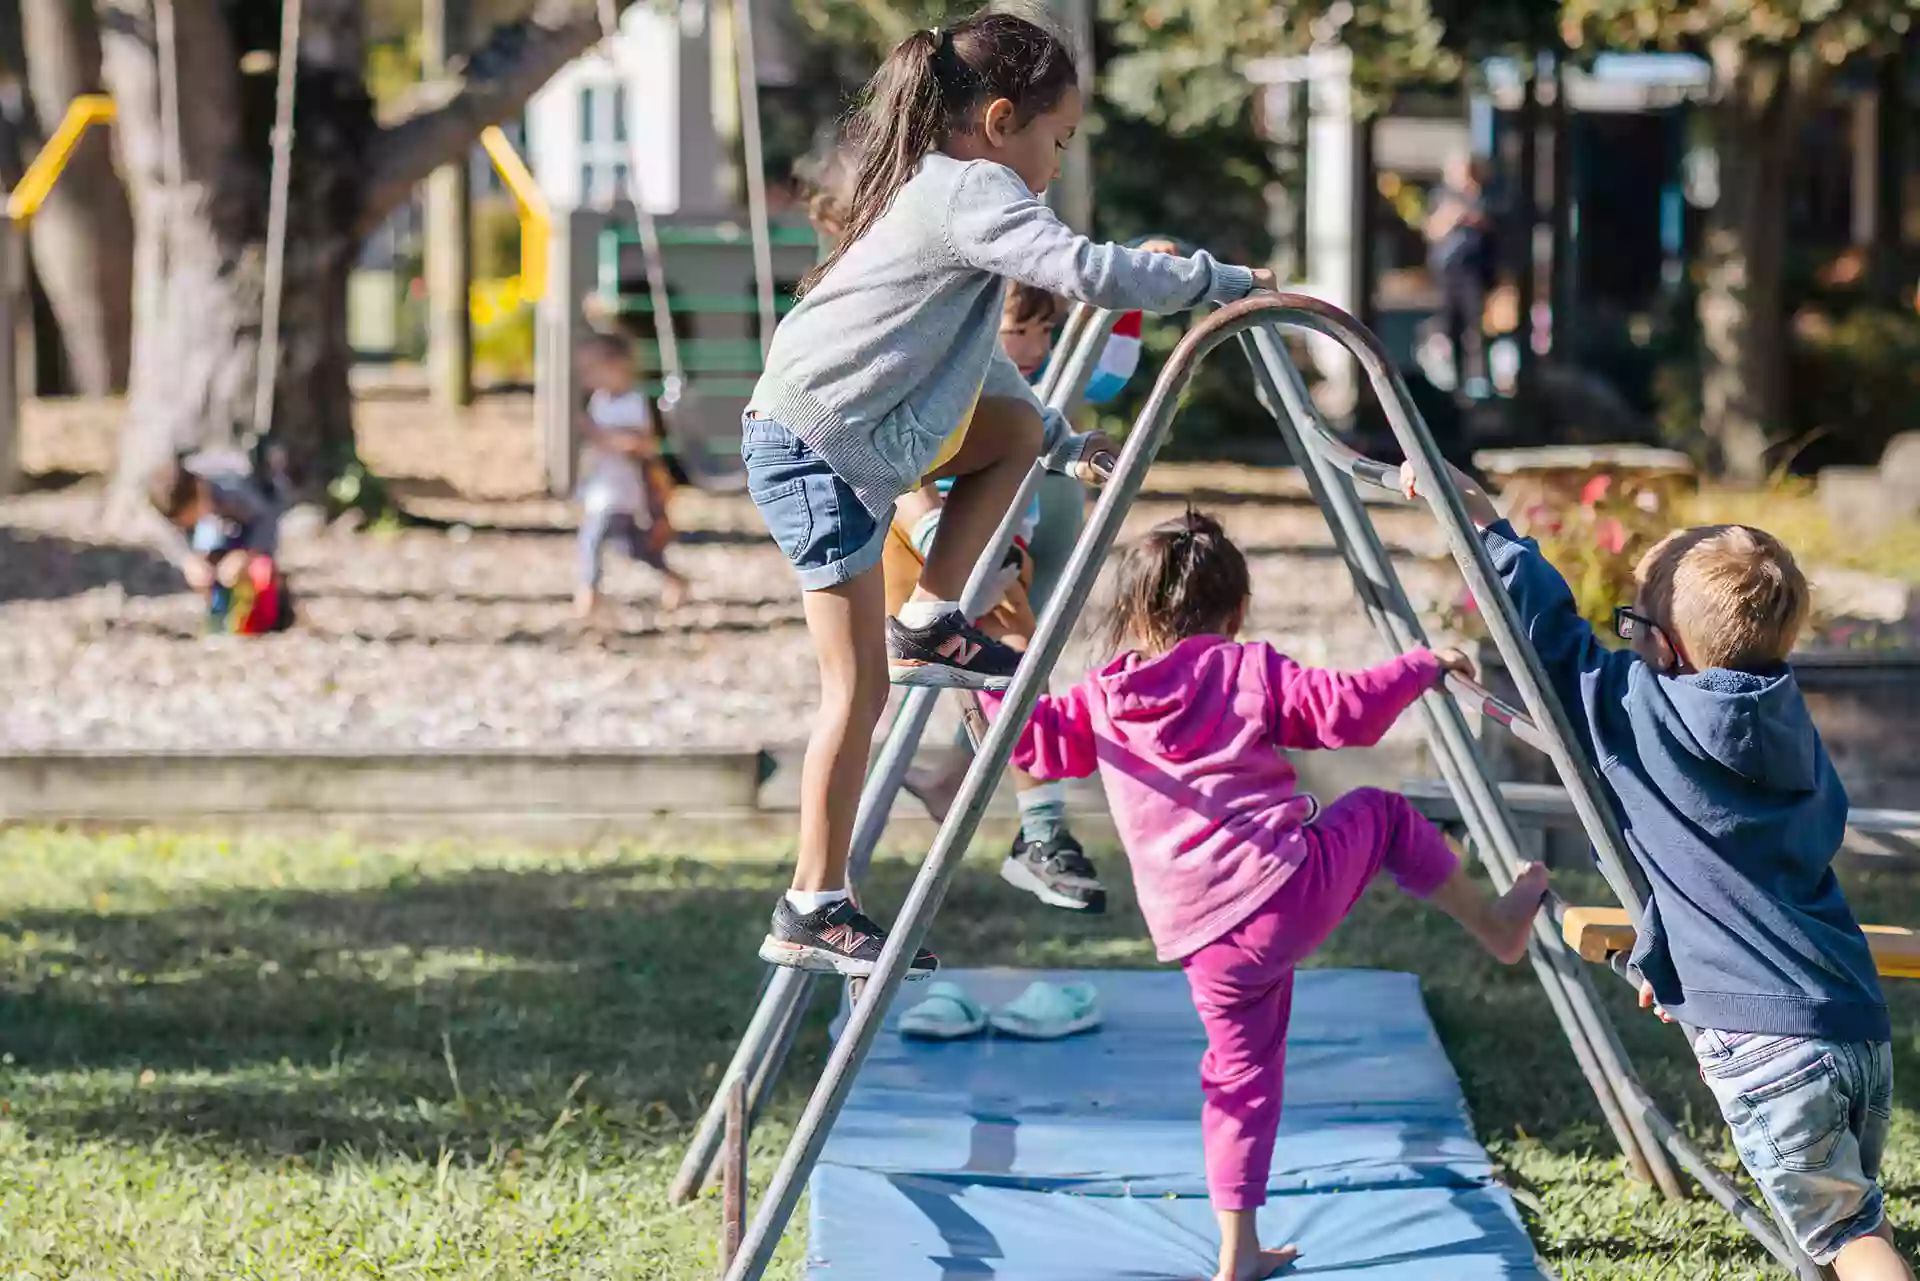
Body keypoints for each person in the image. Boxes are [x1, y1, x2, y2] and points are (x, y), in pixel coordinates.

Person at [744, 9, 1271, 981]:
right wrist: (1211, 280)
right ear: (998, 121)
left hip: (838, 438)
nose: (1054, 165)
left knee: (1021, 434)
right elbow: (1081, 269)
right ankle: (813, 903)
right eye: (1056, 140)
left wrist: (1063, 444)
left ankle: (933, 616)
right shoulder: (973, 190)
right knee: (852, 694)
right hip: (815, 449)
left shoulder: (947, 199)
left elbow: (981, 374)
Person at [990, 511, 1549, 1281]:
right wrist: (1423, 665)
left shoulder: (1101, 698)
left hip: (1202, 938)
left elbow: (1032, 745)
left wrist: (987, 683)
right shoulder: (1241, 668)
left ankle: (1236, 1252)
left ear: (1137, 613)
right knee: (1382, 814)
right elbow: (1348, 713)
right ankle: (1494, 925)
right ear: (1235, 610)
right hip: (1284, 889)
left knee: (1239, 1077)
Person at [1403, 462, 1909, 1281]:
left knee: (1849, 1234)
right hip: (1854, 1021)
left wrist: (1486, 525)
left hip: (1771, 1042)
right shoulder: (1794, 730)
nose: (1622, 639)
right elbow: (1751, 868)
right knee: (1844, 1218)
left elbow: (1550, 636)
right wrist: (1675, 958)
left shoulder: (1644, 710)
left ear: (1668, 649)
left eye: (1632, 625)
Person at [574, 331, 688, 620]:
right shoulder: (599, 400)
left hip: (623, 490)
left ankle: (589, 592)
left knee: (595, 538)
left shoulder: (634, 402)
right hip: (601, 486)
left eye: (592, 370)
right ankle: (671, 577)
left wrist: (605, 438)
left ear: (615, 368)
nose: (586, 378)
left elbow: (641, 444)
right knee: (628, 546)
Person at [148, 454, 292, 634]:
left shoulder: (231, 488)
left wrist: (247, 554)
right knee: (209, 568)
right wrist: (188, 560)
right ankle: (221, 618)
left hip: (256, 522)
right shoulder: (180, 499)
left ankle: (270, 614)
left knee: (253, 571)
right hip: (222, 530)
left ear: (200, 491)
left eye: (192, 516)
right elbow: (171, 535)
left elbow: (266, 519)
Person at [1425, 153, 1495, 401]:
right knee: (1451, 327)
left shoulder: (1481, 196)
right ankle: (1456, 384)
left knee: (1478, 327)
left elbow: (1489, 226)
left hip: (1475, 271)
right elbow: (1432, 230)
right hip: (1449, 271)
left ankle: (1483, 381)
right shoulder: (1441, 197)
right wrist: (1452, 217)